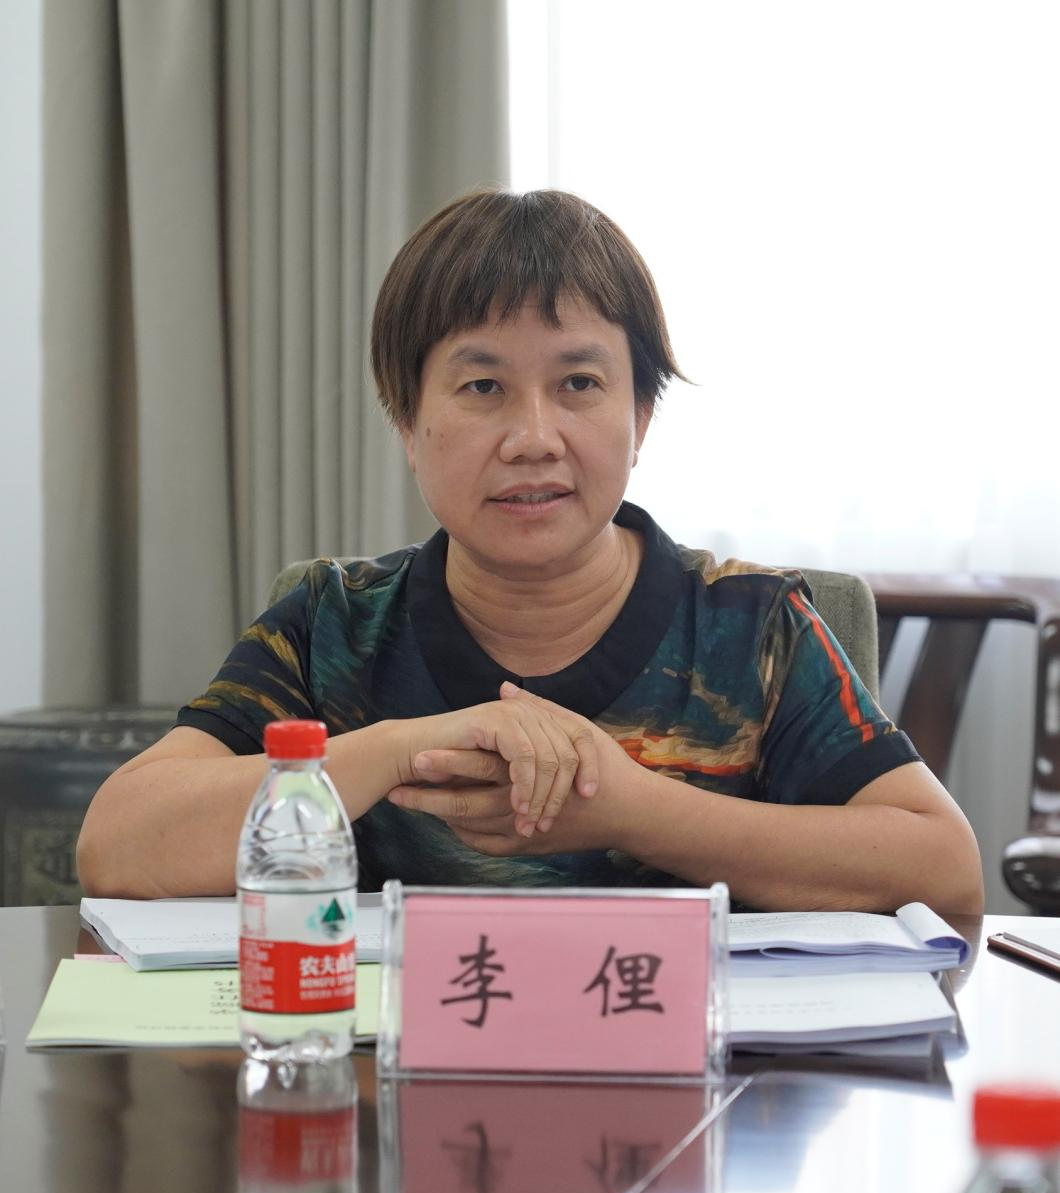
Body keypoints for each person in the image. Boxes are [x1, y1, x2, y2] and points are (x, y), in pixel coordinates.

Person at [77, 189, 984, 914]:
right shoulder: (333, 627)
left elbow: (943, 869)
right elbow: (117, 844)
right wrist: (401, 749)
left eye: (579, 383)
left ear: (640, 419)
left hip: (690, 1080)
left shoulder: (753, 629)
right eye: (483, 387)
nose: (534, 438)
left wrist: (630, 810)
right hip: (392, 1083)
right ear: (407, 423)